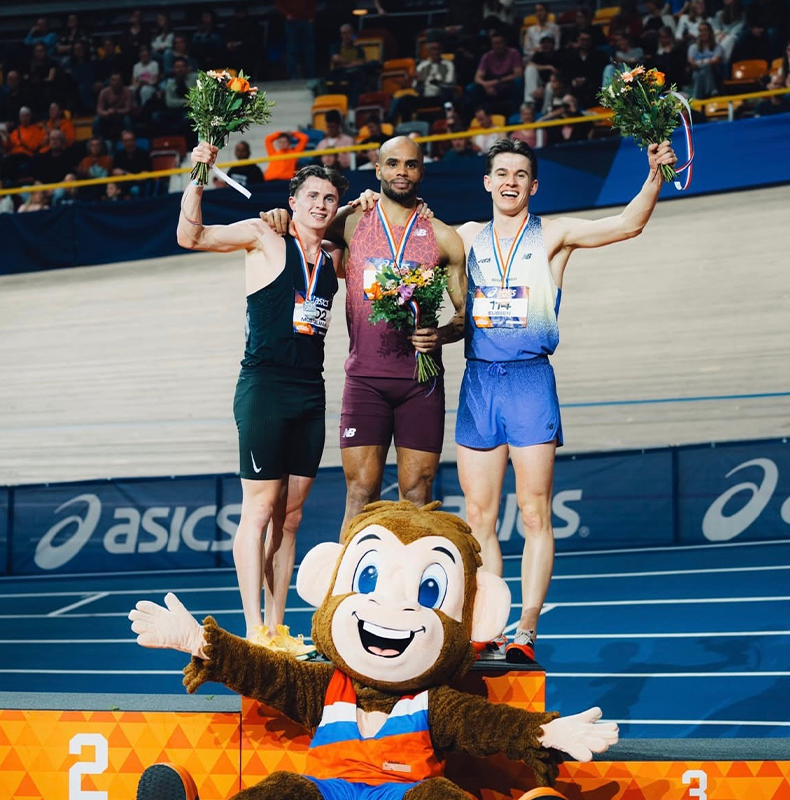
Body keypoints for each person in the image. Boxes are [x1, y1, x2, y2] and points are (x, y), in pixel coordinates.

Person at [455, 137, 676, 663]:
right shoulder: (464, 237)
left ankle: (525, 627)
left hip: (530, 382)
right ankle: (486, 625)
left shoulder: (554, 234)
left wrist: (654, 175)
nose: (509, 182)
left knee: (534, 514)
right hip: (479, 382)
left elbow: (627, 225)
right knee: (479, 516)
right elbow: (402, 239)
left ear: (534, 186)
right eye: (500, 173)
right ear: (486, 182)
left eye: (520, 175)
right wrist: (362, 207)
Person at [178, 141, 348, 652]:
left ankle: (277, 626)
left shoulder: (333, 257)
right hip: (265, 390)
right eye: (312, 196)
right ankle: (252, 629)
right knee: (259, 510)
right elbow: (191, 236)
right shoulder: (262, 235)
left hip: (310, 394)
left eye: (329, 198)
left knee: (290, 518)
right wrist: (198, 174)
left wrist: (357, 207)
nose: (321, 204)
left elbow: (356, 228)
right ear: (292, 201)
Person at [261, 136, 466, 538]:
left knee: (417, 492)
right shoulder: (352, 223)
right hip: (364, 382)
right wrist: (277, 216)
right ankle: (345, 594)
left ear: (422, 171)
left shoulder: (443, 237)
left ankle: (414, 597)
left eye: (410, 165)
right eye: (392, 164)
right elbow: (306, 227)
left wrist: (440, 335)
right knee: (359, 492)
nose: (401, 172)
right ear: (377, 170)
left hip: (420, 383)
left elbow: (465, 316)